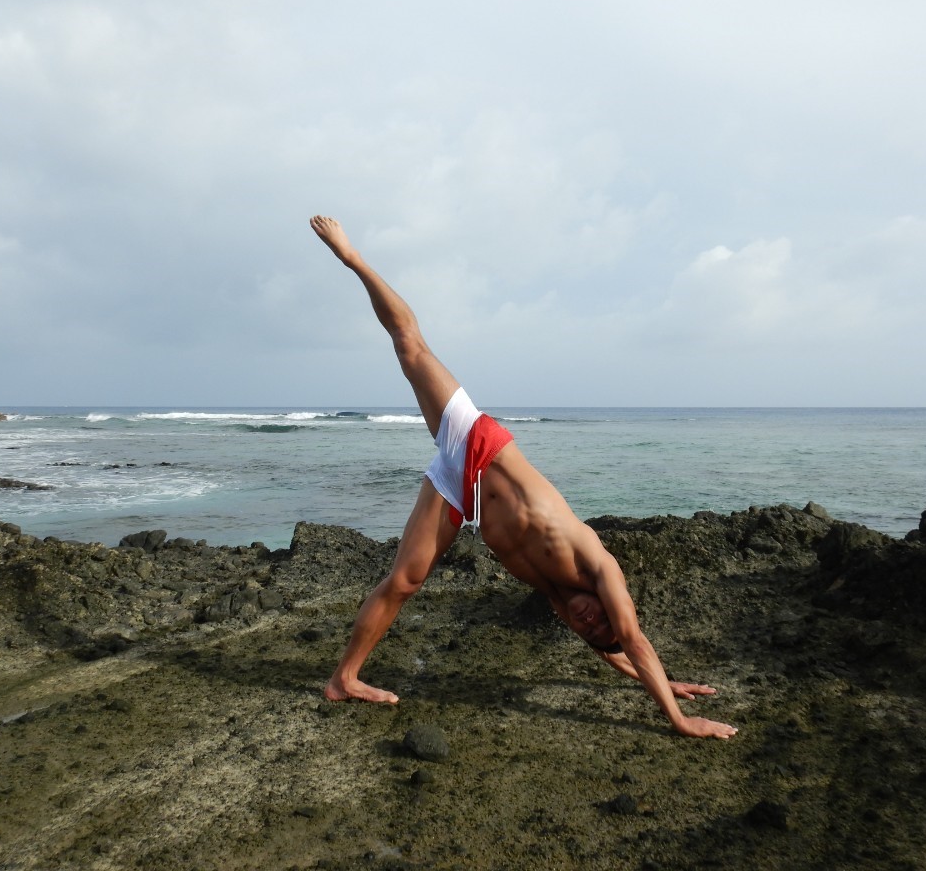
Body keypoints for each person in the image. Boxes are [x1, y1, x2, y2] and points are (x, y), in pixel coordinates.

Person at [311, 215, 737, 740]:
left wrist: (664, 684)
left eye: (589, 630)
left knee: (404, 582)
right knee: (410, 346)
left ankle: (343, 680)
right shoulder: (598, 566)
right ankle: (352, 257)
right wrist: (678, 718)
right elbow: (633, 640)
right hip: (480, 447)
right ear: (608, 605)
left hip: (463, 492)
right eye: (601, 619)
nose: (590, 622)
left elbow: (616, 651)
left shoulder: (560, 598)